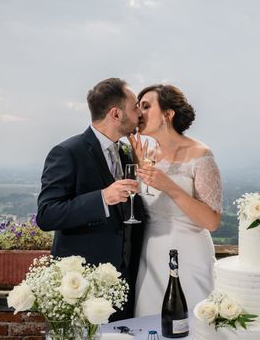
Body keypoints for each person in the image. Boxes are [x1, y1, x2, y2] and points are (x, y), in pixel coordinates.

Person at [36, 77, 146, 320]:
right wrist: (102, 198)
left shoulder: (125, 153)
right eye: (136, 106)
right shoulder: (67, 152)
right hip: (83, 284)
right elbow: (47, 214)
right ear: (116, 114)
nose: (140, 113)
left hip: (123, 283)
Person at [130, 84, 222, 317]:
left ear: (168, 115)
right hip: (150, 255)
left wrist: (169, 186)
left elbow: (211, 222)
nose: (139, 112)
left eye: (146, 106)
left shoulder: (201, 155)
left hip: (190, 255)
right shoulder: (145, 156)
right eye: (138, 106)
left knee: (193, 325)